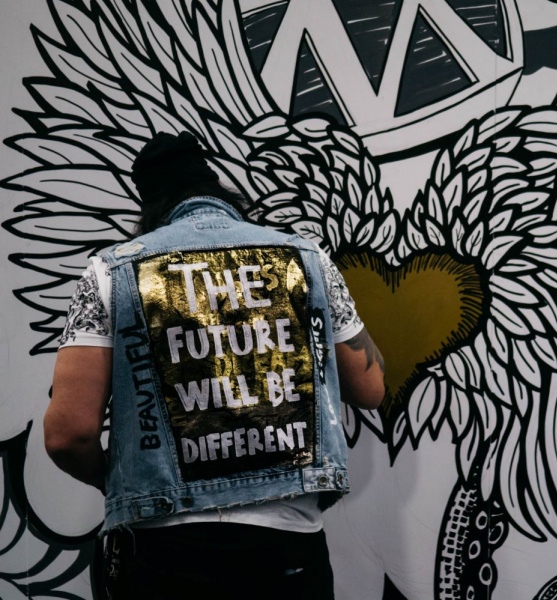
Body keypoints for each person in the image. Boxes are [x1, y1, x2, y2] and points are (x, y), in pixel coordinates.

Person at [43, 131, 385, 599]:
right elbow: (370, 388)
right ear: (217, 189)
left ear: (149, 207)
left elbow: (69, 434)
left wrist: (122, 481)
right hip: (287, 551)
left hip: (164, 551)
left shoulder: (111, 271)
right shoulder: (307, 259)